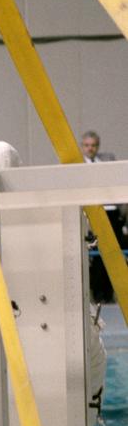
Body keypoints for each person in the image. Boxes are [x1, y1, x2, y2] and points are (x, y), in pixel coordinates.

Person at [81, 130, 126, 304]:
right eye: (87, 145)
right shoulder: (77, 165)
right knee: (96, 253)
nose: (90, 148)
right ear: (82, 146)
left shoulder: (107, 160)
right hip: (91, 212)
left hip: (112, 211)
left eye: (93, 145)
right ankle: (99, 292)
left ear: (97, 146)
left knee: (114, 251)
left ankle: (110, 291)